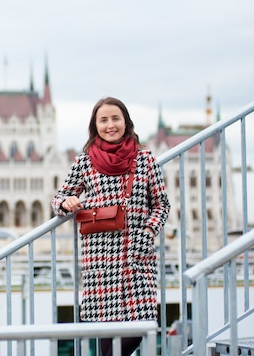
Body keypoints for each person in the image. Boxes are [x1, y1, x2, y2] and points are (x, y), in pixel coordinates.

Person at [52, 97, 170, 356]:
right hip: (100, 262)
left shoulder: (145, 159)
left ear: (126, 122)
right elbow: (58, 199)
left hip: (135, 257)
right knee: (107, 337)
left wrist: (148, 233)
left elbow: (162, 205)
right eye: (103, 120)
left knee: (143, 325)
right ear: (95, 126)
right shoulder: (84, 162)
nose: (110, 125)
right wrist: (67, 202)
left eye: (115, 118)